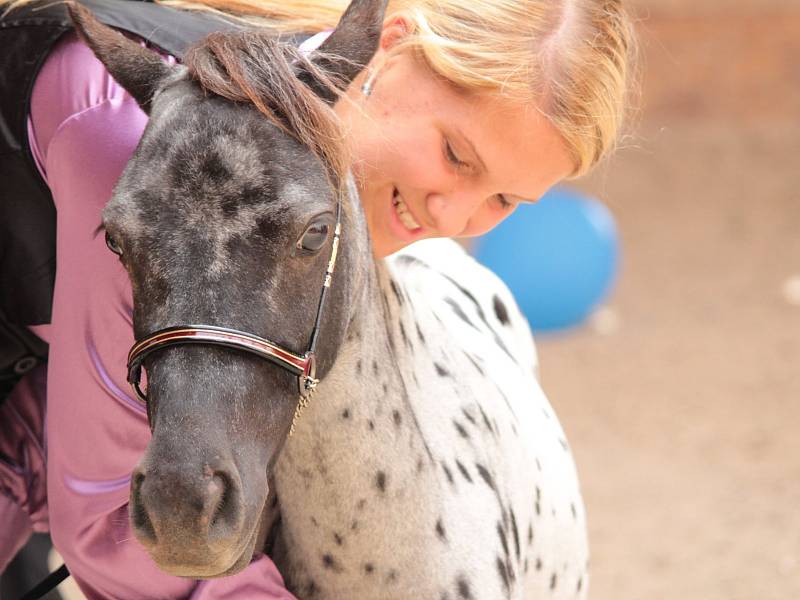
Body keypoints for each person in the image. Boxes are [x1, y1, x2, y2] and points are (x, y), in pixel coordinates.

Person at [0, 0, 636, 597]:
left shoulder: (302, 101)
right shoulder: (161, 158)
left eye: (503, 200)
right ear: (390, 50)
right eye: (455, 156)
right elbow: (106, 523)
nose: (451, 215)